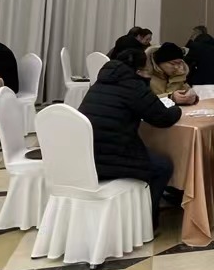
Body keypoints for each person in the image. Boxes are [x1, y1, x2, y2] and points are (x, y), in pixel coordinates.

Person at [78, 48, 181, 230]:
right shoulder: (133, 86)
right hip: (111, 158)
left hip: (86, 155)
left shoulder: (100, 82)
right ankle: (146, 221)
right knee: (163, 167)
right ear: (140, 70)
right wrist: (177, 107)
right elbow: (162, 118)